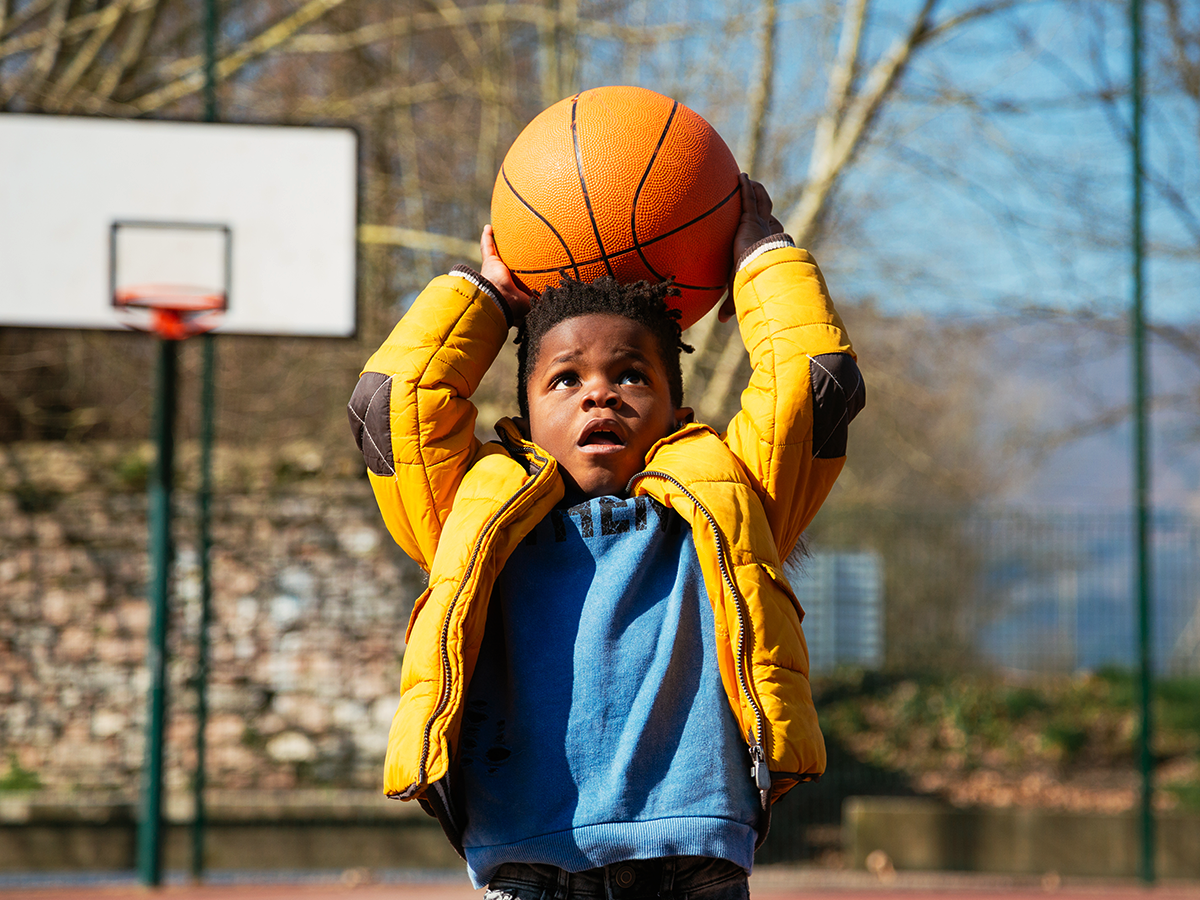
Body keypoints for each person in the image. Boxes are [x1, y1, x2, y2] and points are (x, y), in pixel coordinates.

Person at [348, 174, 864, 899]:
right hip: (528, 871)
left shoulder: (730, 500)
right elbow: (390, 404)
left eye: (631, 375)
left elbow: (814, 384)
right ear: (525, 415)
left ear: (675, 410)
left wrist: (761, 258)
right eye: (565, 379)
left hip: (693, 866)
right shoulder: (474, 513)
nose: (599, 392)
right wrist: (484, 296)